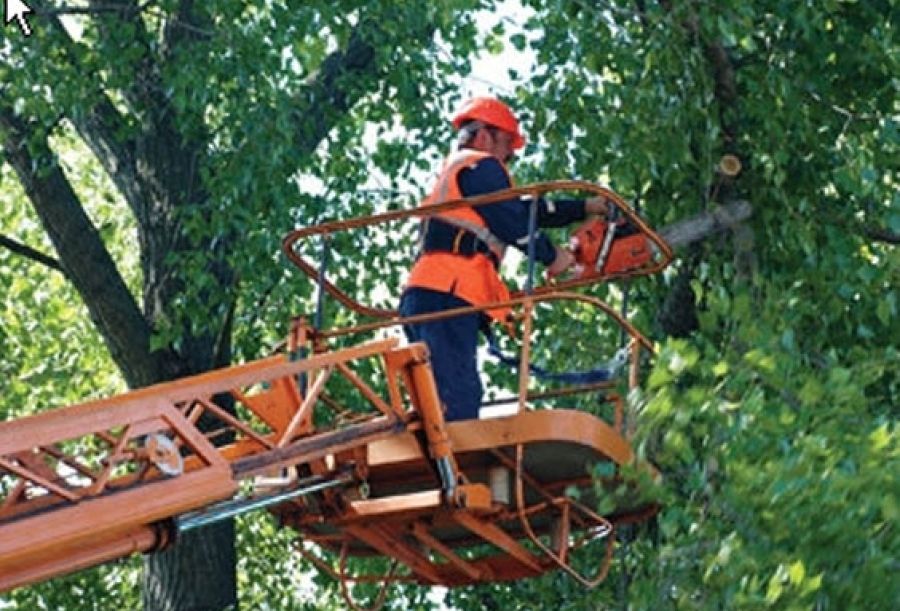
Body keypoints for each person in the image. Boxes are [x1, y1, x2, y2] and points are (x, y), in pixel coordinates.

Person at [399, 96, 609, 422]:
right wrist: (552, 256)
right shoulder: (479, 165)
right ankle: (454, 468)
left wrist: (583, 208)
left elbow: (524, 211)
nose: (510, 156)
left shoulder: (463, 174)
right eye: (507, 144)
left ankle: (443, 462)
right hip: (448, 292)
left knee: (441, 396)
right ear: (484, 134)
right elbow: (510, 220)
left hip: (432, 291)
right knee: (458, 397)